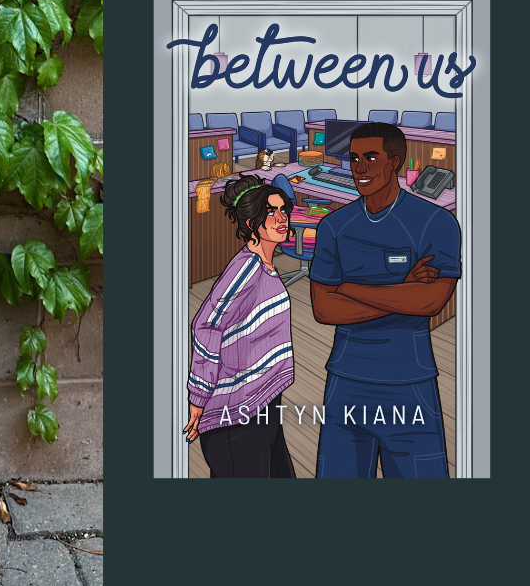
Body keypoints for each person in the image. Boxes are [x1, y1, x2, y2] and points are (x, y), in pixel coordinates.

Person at [310, 123, 460, 478]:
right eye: (354, 159)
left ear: (396, 161)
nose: (360, 168)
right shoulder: (334, 226)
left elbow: (430, 302)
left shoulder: (436, 223)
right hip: (345, 381)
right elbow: (323, 308)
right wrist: (402, 288)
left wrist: (348, 288)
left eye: (371, 158)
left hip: (409, 383)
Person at [183, 174, 297, 477]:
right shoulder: (247, 268)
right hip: (236, 414)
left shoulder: (265, 267)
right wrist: (198, 398)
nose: (281, 218)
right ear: (251, 224)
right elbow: (205, 326)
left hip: (264, 400)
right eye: (270, 213)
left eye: (283, 210)